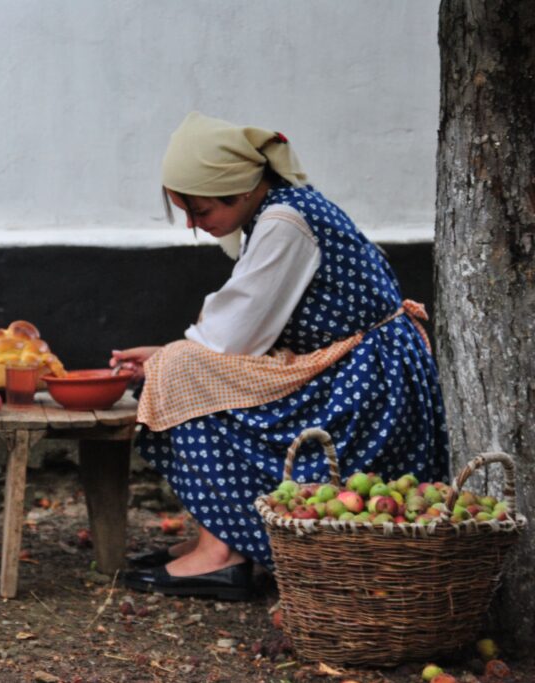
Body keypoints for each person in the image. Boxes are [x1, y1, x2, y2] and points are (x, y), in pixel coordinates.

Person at [111, 112, 449, 600]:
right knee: (180, 367)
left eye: (201, 212)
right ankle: (225, 536)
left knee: (183, 376)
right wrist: (167, 354)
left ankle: (222, 555)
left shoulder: (285, 221)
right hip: (358, 371)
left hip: (369, 390)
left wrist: (168, 359)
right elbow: (241, 331)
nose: (193, 224)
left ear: (242, 190)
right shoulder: (282, 209)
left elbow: (231, 341)